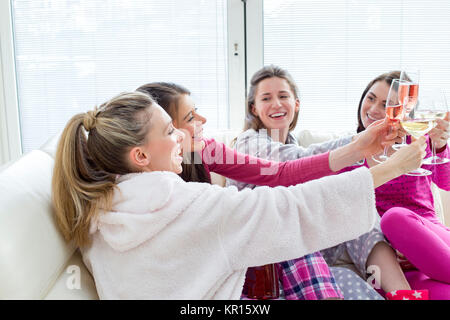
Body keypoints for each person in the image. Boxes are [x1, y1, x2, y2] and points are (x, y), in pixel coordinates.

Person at [51, 91, 425, 299]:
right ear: (141, 155)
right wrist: (389, 168)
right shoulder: (188, 203)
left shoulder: (101, 206)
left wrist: (358, 148)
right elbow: (285, 206)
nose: (191, 130)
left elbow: (281, 175)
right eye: (175, 127)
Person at [136, 82, 383, 300]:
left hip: (241, 253)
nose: (203, 121)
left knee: (288, 230)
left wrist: (358, 148)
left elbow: (279, 173)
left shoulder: (206, 149)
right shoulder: (141, 186)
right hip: (206, 263)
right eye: (190, 117)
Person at [226, 65, 430, 300]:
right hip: (262, 253)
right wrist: (359, 143)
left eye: (283, 96)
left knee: (353, 198)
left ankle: (405, 295)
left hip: (309, 248)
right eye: (266, 98)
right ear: (254, 108)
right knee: (306, 200)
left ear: (296, 104)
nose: (276, 104)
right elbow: (294, 166)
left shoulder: (293, 143)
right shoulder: (248, 142)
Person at [353, 70, 450, 300]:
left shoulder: (419, 142)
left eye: (387, 104)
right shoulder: (347, 152)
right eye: (371, 98)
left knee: (395, 217)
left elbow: (446, 182)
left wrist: (440, 147)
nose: (374, 109)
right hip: (394, 263)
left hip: (433, 237)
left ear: (405, 111)